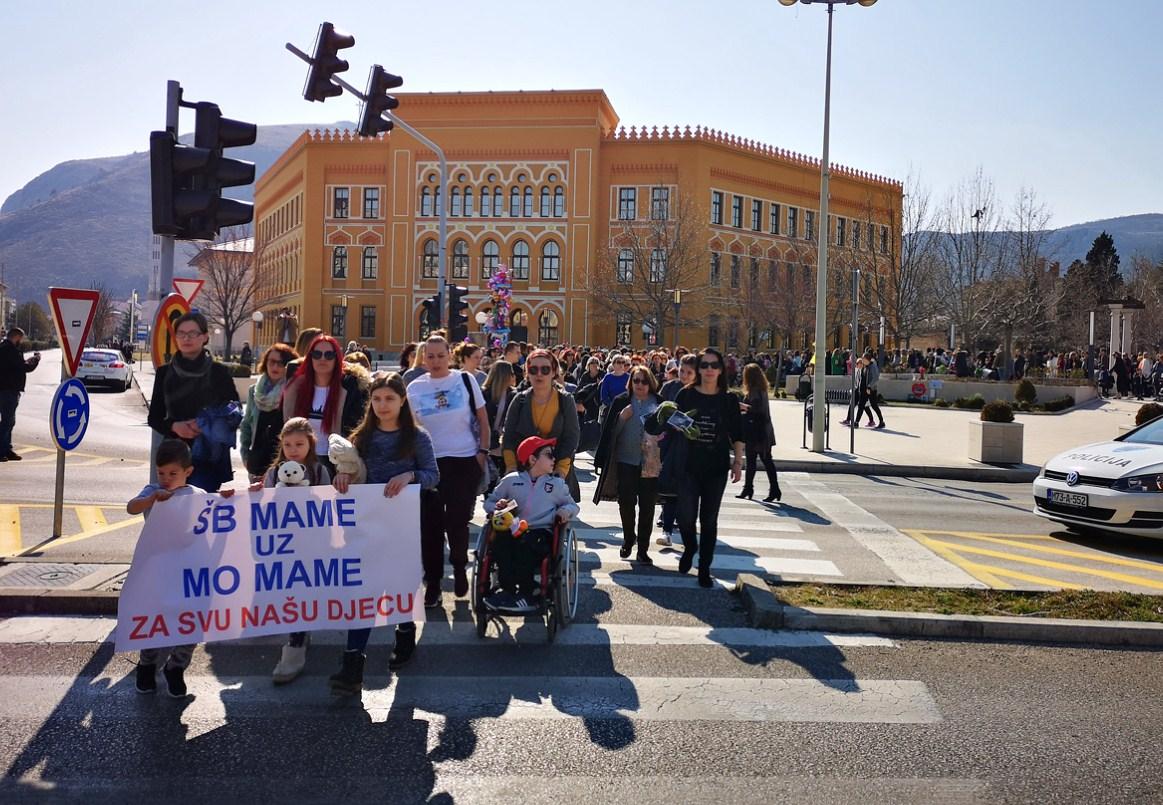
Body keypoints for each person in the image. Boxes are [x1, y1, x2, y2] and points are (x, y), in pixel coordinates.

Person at [331, 372, 439, 694]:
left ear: (402, 400)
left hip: (405, 524)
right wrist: (343, 479)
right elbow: (351, 471)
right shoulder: (361, 437)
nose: (382, 405)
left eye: (389, 398)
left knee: (401, 583)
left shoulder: (417, 437)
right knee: (364, 590)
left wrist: (410, 476)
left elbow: (433, 475)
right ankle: (353, 664)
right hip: (367, 522)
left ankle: (404, 634)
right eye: (377, 399)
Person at [128, 439, 234, 696]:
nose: (165, 478)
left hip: (189, 572)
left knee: (192, 622)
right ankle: (147, 664)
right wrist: (152, 498)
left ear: (188, 472)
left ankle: (176, 667)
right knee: (157, 620)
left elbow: (214, 508)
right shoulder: (153, 491)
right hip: (159, 571)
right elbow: (132, 507)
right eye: (161, 472)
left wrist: (227, 498)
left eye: (172, 473)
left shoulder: (196, 495)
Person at [405, 335, 490, 608]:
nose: (435, 361)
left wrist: (482, 453)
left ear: (449, 355)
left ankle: (459, 565)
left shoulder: (464, 381)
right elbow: (410, 428)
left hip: (464, 460)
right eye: (430, 356)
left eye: (440, 355)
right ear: (423, 358)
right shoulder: (415, 388)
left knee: (457, 521)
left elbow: (483, 420)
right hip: (430, 464)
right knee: (430, 527)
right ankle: (433, 583)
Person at [252, 417, 333, 684]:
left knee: (304, 591)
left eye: (299, 444)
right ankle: (298, 636)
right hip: (284, 544)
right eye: (287, 445)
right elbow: (265, 504)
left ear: (311, 443)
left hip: (311, 543)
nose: (293, 449)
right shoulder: (275, 473)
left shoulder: (320, 472)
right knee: (290, 592)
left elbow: (326, 505)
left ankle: (295, 650)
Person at [669, 347, 744, 588]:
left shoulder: (728, 399)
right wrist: (677, 426)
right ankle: (690, 546)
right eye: (705, 365)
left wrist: (738, 461)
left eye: (714, 365)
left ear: (721, 369)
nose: (709, 370)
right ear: (699, 369)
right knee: (686, 517)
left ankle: (704, 567)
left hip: (716, 467)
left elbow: (737, 433)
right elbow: (674, 423)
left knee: (709, 520)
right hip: (688, 464)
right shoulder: (686, 395)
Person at [483, 436, 579, 612]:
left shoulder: (556, 484)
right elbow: (489, 502)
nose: (554, 459)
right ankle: (509, 591)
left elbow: (572, 505)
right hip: (514, 527)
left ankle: (528, 593)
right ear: (532, 459)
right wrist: (497, 508)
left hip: (541, 532)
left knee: (527, 544)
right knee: (499, 543)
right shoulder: (511, 481)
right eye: (549, 455)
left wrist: (564, 511)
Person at [146, 312, 239, 491]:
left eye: (193, 333)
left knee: (199, 511)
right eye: (181, 333)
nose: (186, 338)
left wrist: (206, 422)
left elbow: (234, 409)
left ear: (204, 337)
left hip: (208, 455)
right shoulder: (165, 373)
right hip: (174, 457)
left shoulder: (219, 372)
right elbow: (154, 418)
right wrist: (175, 426)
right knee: (175, 514)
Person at [593, 366, 663, 564]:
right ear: (631, 382)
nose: (639, 385)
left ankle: (643, 549)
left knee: (647, 507)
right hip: (626, 460)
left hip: (650, 463)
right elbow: (609, 433)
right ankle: (628, 538)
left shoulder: (658, 403)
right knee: (626, 503)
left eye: (643, 381)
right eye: (636, 381)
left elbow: (667, 430)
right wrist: (622, 418)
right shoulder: (622, 401)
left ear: (650, 383)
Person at [282, 334, 369, 477]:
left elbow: (356, 429)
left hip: (335, 462)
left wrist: (347, 468)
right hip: (301, 461)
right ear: (310, 357)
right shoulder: (296, 387)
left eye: (329, 355)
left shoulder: (350, 389)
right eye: (317, 354)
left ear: (337, 358)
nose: (322, 359)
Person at [502, 349, 582, 501]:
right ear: (527, 373)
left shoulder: (565, 400)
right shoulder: (519, 400)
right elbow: (509, 437)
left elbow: (571, 437)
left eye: (545, 369)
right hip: (523, 474)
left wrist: (560, 471)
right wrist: (511, 468)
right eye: (533, 369)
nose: (539, 374)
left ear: (554, 372)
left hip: (555, 473)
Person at [239, 342, 297, 481]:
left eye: (281, 363)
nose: (275, 367)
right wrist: (245, 455)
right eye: (272, 362)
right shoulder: (255, 391)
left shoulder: (292, 391)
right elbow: (246, 425)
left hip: (284, 462)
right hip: (257, 460)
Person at [656, 354, 698, 546]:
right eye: (682, 370)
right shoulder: (669, 387)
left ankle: (687, 522)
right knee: (669, 485)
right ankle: (666, 528)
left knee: (689, 488)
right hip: (670, 443)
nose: (684, 375)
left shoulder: (699, 392)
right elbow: (658, 410)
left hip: (691, 445)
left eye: (689, 372)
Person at [737, 363, 781, 503]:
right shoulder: (761, 390)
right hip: (763, 431)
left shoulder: (754, 391)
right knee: (764, 460)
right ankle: (768, 489)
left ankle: (752, 488)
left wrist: (743, 407)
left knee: (758, 460)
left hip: (757, 431)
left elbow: (756, 411)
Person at [0, 327, 41, 462]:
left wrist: (27, 361)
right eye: (21, 339)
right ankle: (2, 450)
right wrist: (35, 360)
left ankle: (7, 449)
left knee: (9, 421)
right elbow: (23, 367)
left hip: (6, 389)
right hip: (8, 391)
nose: (21, 342)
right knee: (8, 422)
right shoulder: (10, 350)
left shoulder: (4, 348)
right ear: (17, 337)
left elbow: (18, 365)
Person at [481, 360, 517, 489]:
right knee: (492, 488)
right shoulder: (484, 394)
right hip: (490, 448)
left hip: (503, 448)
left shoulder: (514, 395)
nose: (514, 376)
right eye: (512, 373)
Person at [854, 349, 886, 429]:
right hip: (864, 389)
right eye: (862, 359)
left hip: (871, 389)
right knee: (861, 405)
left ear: (868, 360)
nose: (863, 361)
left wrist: (869, 387)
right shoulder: (865, 367)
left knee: (874, 405)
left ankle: (881, 421)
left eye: (864, 360)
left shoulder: (872, 366)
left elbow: (875, 378)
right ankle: (856, 422)